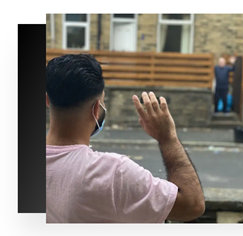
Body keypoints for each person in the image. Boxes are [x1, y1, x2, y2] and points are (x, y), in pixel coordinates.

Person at [45, 54, 205, 223]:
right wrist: (167, 137)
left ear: (47, 100)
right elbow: (192, 204)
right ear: (96, 109)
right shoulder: (112, 173)